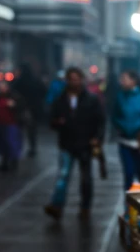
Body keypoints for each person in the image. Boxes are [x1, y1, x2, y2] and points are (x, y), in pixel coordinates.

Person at [44, 67, 105, 221]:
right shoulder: (61, 99)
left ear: (81, 80)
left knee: (86, 179)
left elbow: (100, 121)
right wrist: (58, 122)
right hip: (67, 143)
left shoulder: (91, 99)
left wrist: (97, 138)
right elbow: (51, 120)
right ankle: (57, 206)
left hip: (85, 143)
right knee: (63, 176)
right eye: (71, 79)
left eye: (77, 79)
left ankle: (85, 207)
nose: (74, 82)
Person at [112, 70, 140, 192]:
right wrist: (121, 127)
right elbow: (115, 116)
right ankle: (128, 207)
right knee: (128, 174)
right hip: (124, 140)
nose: (121, 81)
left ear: (134, 81)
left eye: (124, 78)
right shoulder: (120, 96)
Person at [14, 63, 46, 157]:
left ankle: (18, 148)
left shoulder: (19, 82)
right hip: (33, 109)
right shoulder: (36, 81)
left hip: (21, 109)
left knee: (19, 130)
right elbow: (44, 92)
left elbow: (12, 92)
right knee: (31, 131)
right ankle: (32, 148)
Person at [0, 81, 23, 171]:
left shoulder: (14, 96)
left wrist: (14, 105)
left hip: (12, 123)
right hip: (0, 123)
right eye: (0, 87)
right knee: (2, 143)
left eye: (4, 86)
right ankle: (5, 162)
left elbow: (20, 106)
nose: (2, 88)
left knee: (11, 142)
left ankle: (13, 161)